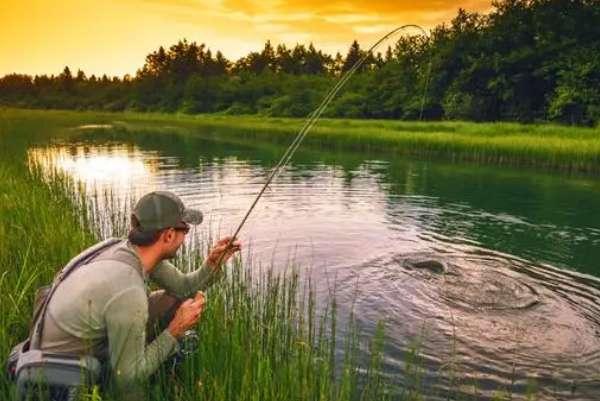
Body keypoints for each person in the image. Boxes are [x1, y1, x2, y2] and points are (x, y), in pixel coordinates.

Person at [35, 191, 241, 398]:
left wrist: (213, 264)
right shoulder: (128, 291)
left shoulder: (126, 248)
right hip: (63, 376)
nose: (185, 237)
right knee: (132, 381)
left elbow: (182, 288)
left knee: (171, 301)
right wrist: (175, 329)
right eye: (185, 230)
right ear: (168, 235)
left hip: (66, 345)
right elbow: (126, 377)